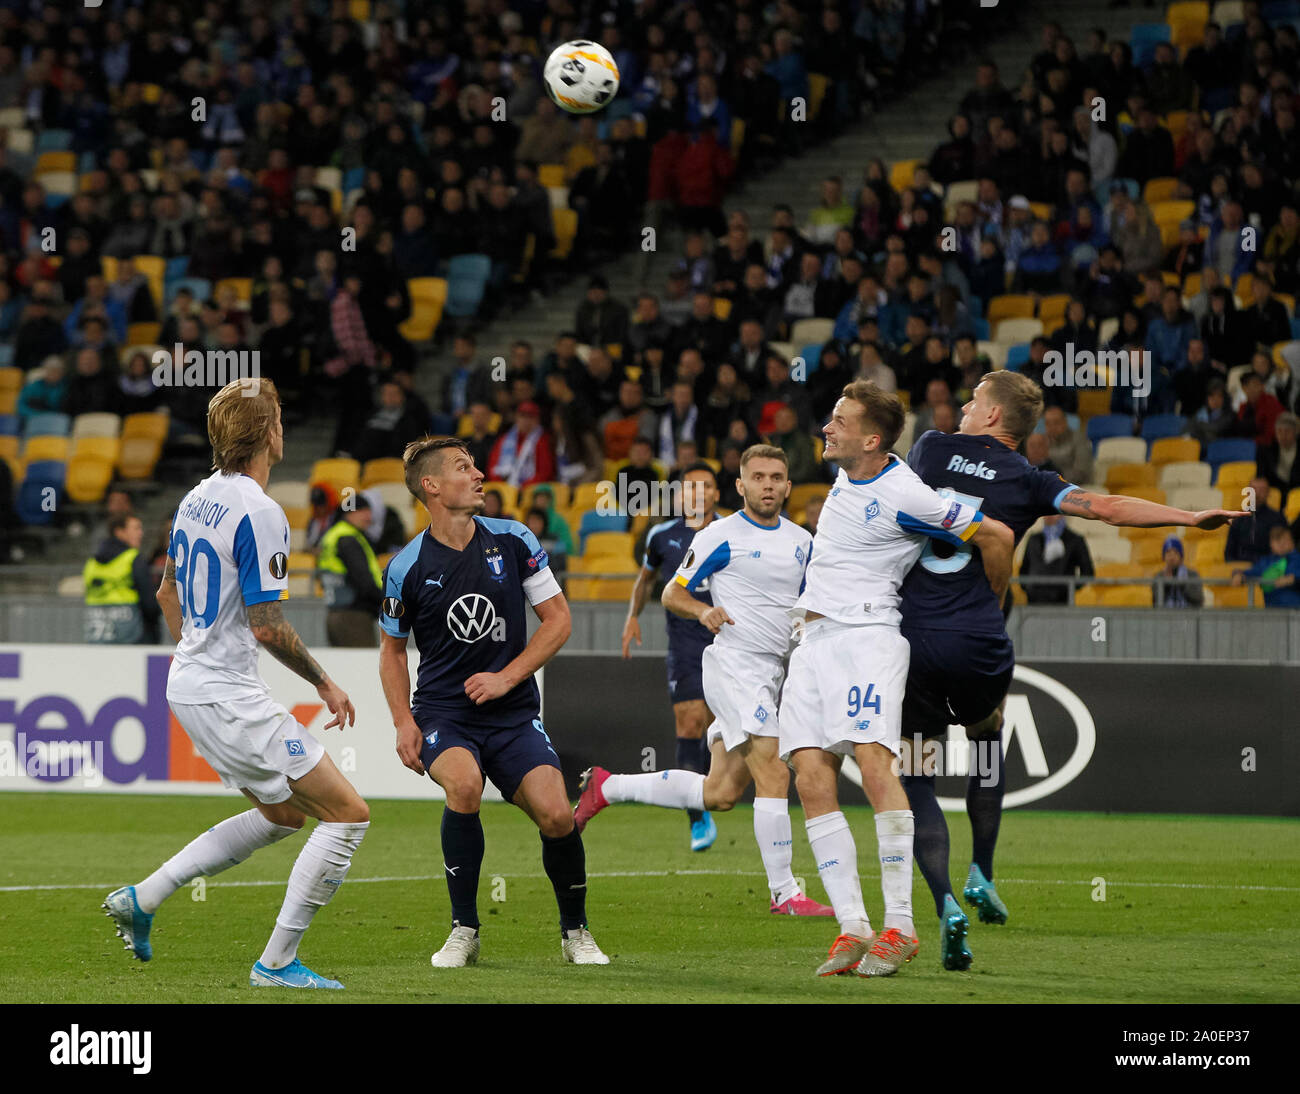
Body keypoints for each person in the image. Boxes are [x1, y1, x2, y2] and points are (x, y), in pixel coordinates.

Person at [897, 372, 1242, 972]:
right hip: (978, 642)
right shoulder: (1031, 481)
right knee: (985, 735)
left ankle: (945, 900)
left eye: (974, 400)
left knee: (918, 772)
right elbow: (1107, 508)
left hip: (912, 641)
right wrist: (1188, 519)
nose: (963, 407)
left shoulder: (928, 448)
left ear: (992, 417)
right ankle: (983, 867)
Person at [104, 378, 369, 990]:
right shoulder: (260, 511)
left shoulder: (196, 498)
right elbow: (269, 626)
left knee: (282, 815)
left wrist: (196, 659)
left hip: (189, 685)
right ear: (268, 433)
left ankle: (142, 899)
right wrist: (327, 684)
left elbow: (166, 591)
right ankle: (275, 964)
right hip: (224, 693)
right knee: (348, 815)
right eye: (277, 418)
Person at [777, 380, 1017, 977]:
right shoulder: (846, 474)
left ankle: (902, 928)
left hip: (867, 639)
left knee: (877, 765)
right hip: (812, 642)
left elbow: (997, 534)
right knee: (809, 776)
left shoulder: (909, 492)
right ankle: (853, 927)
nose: (827, 428)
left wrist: (989, 604)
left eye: (839, 420)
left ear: (872, 438)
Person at [378, 437, 608, 968]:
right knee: (464, 784)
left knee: (555, 815)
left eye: (476, 465)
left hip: (512, 713)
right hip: (444, 713)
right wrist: (402, 722)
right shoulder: (406, 565)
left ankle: (576, 932)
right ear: (431, 486)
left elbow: (559, 620)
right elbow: (391, 652)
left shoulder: (514, 538)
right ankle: (465, 930)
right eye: (464, 467)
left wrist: (507, 677)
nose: (480, 474)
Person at [577, 447, 833, 917]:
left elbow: (810, 599)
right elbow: (672, 591)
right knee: (775, 771)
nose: (769, 485)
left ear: (788, 486)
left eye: (777, 476)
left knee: (721, 793)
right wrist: (703, 610)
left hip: (773, 671)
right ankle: (785, 893)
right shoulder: (720, 534)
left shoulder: (802, 541)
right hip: (735, 666)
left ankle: (606, 788)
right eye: (758, 477)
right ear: (741, 486)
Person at [613, 464, 720, 849]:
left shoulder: (732, 530)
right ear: (679, 496)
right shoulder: (661, 536)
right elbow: (645, 580)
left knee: (713, 730)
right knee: (690, 724)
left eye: (706, 486)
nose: (698, 492)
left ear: (716, 494)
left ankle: (706, 793)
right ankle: (697, 817)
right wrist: (631, 618)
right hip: (685, 646)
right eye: (690, 486)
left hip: (728, 644)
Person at [83, 512, 161, 644]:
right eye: (136, 528)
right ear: (120, 532)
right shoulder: (133, 558)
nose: (141, 533)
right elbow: (149, 603)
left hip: (97, 636)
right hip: (132, 635)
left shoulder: (91, 563)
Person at [316, 495, 384, 647]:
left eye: (369, 511)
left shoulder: (332, 535)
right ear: (348, 513)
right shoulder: (348, 538)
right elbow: (363, 580)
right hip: (354, 617)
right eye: (362, 511)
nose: (369, 517)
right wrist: (385, 602)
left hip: (335, 614)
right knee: (363, 667)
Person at [1232, 524, 1300, 607]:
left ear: (1292, 541)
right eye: (1277, 540)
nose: (1281, 544)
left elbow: (1296, 575)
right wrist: (1238, 574)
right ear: (1271, 544)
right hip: (1271, 610)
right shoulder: (1266, 562)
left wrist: (1294, 579)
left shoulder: (1297, 559)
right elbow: (1251, 572)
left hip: (1295, 609)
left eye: (1285, 540)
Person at [1153, 535, 1203, 608]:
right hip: (1165, 617)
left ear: (1181, 556)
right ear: (1164, 556)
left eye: (1176, 553)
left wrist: (1182, 585)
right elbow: (1156, 602)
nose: (1172, 557)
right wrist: (1167, 585)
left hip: (1188, 617)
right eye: (1168, 552)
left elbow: (1198, 599)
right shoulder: (1159, 576)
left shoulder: (1192, 575)